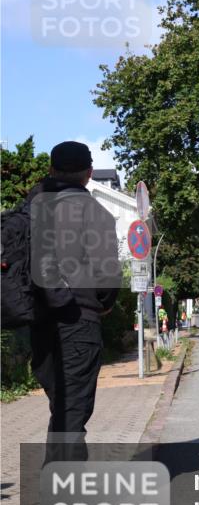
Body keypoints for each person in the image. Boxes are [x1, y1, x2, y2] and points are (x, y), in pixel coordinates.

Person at [27, 141, 121, 463]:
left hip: (39, 324)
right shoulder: (96, 214)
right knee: (71, 417)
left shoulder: (33, 207)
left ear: (52, 170)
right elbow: (108, 278)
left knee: (63, 413)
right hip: (77, 323)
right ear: (89, 174)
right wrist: (102, 304)